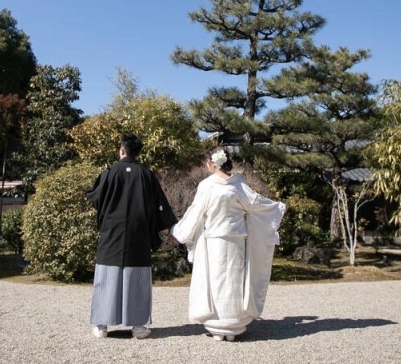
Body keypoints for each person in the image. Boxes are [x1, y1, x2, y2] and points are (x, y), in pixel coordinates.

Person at [171, 147, 286, 341]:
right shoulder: (238, 184)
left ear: (212, 164)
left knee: (216, 281)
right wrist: (276, 208)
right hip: (235, 240)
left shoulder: (207, 185)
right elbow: (255, 203)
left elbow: (196, 212)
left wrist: (178, 230)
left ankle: (217, 325)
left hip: (214, 240)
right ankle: (233, 323)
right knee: (233, 279)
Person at [86, 133, 178, 339]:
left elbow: (95, 197)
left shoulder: (109, 172)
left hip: (112, 231)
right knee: (136, 276)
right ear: (137, 152)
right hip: (138, 232)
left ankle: (101, 326)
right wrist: (171, 227)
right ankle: (138, 326)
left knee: (107, 275)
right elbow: (159, 205)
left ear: (121, 150)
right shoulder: (146, 174)